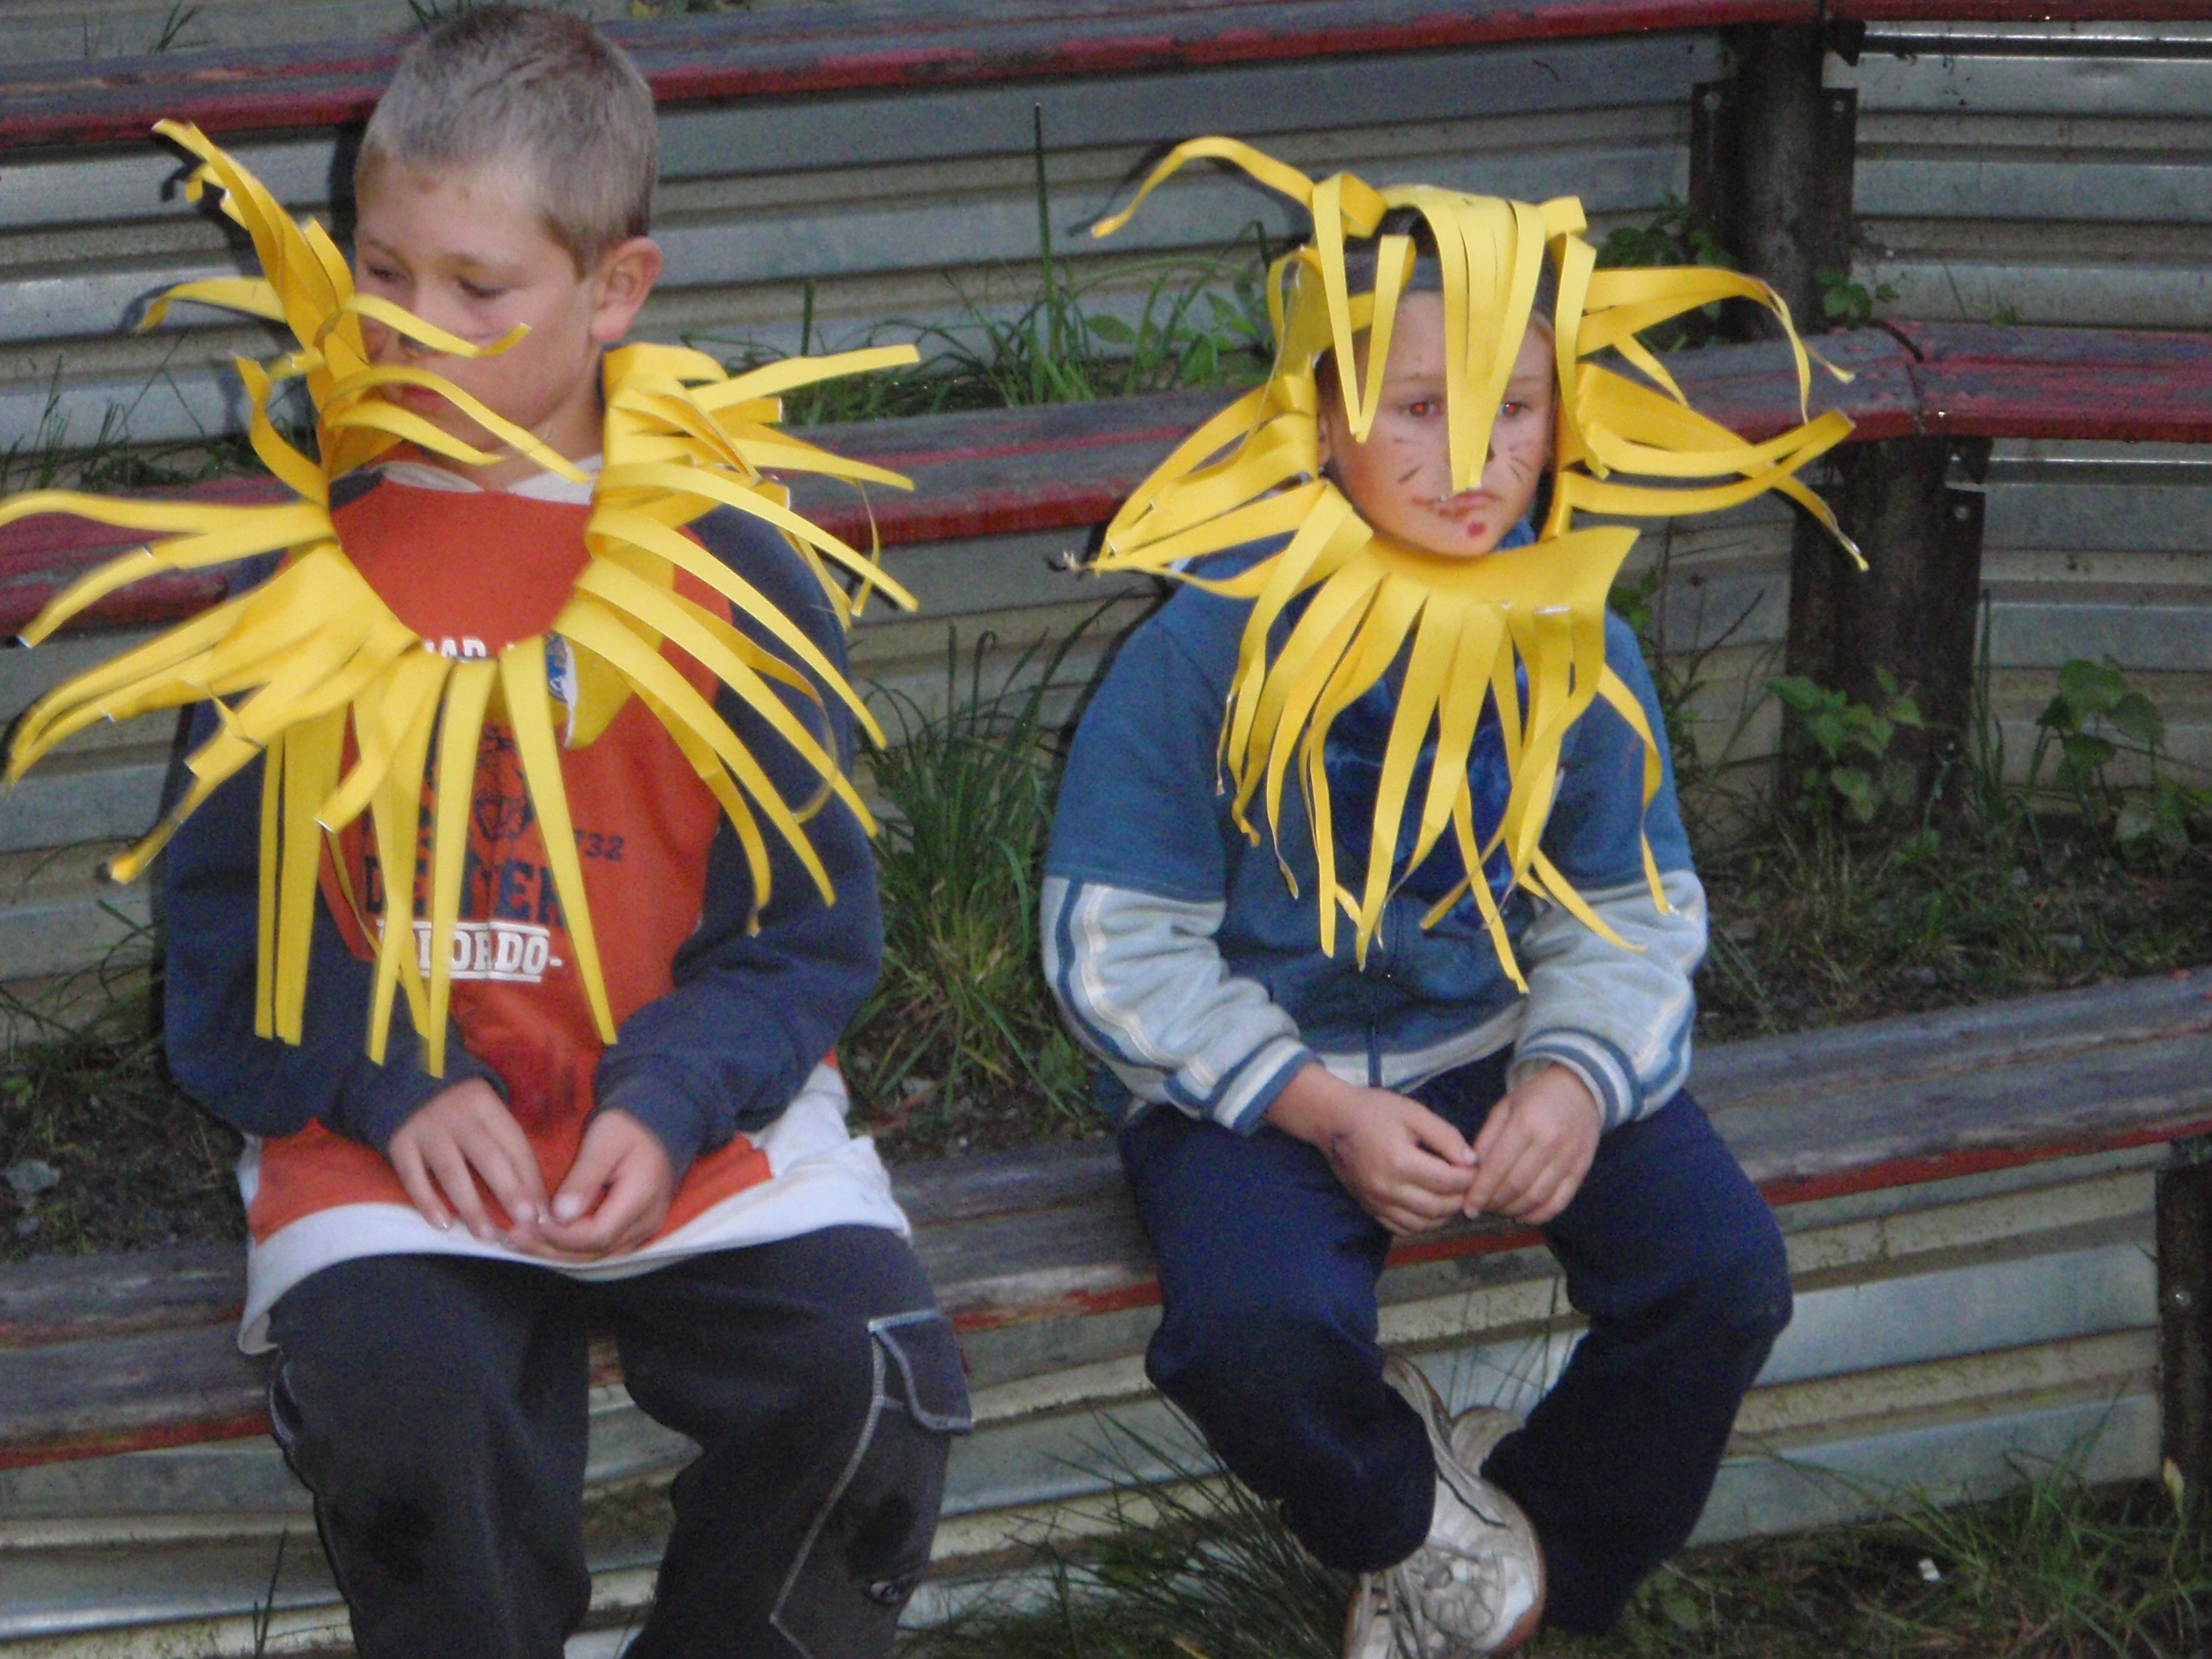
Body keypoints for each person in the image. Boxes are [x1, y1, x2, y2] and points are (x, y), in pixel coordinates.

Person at [2, 11, 966, 1657]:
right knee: (411, 1410)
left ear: (616, 289)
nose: (410, 332)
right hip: (388, 1138)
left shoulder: (734, 567)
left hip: (686, 1128)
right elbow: (229, 950)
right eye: (380, 273)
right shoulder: (303, 570)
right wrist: (392, 1078)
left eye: (477, 288)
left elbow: (809, 935)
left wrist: (670, 1098)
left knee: (872, 1387)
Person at [1043, 139, 1862, 1657]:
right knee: (1247, 1333)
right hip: (1254, 1082)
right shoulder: (1208, 645)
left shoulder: (1578, 642)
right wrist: (1314, 1109)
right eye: (1420, 409)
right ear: (1326, 419)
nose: (1474, 457)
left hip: (1498, 1040)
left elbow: (1631, 906)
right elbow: (1115, 944)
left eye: (1515, 410)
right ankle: (1408, 1521)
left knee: (1722, 1276)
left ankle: (1533, 1566)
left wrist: (1574, 1074)